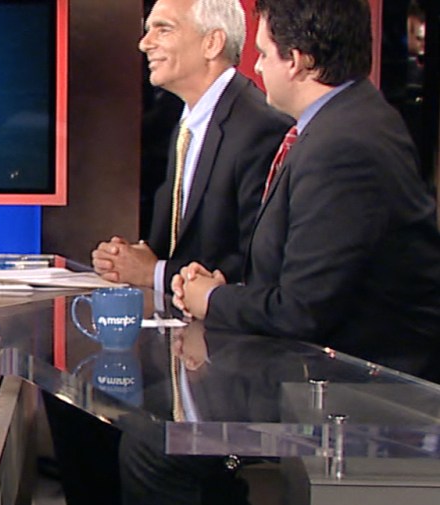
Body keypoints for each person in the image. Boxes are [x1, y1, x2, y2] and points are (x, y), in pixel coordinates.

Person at [172, 0, 440, 382]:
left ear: (297, 62)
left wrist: (212, 300)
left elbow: (301, 310)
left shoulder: (343, 146)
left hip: (368, 394)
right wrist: (227, 292)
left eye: (264, 54)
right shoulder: (348, 117)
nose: (257, 67)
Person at [92, 0, 292, 301]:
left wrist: (154, 272)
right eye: (148, 30)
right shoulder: (187, 124)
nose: (144, 43)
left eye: (163, 29)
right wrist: (130, 259)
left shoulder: (260, 128)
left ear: (212, 43)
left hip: (228, 326)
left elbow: (257, 264)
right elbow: (181, 245)